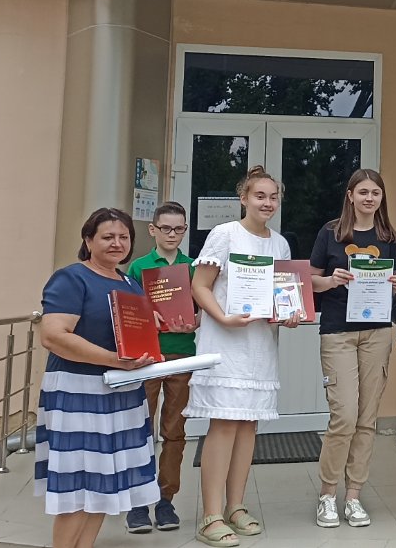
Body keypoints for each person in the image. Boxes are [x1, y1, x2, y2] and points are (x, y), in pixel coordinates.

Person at [184, 167, 299, 547]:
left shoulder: (280, 245)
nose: (267, 203)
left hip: (259, 348)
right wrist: (223, 318)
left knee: (248, 426)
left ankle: (235, 506)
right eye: (259, 196)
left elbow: (283, 298)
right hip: (225, 344)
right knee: (224, 425)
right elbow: (199, 286)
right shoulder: (225, 234)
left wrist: (290, 315)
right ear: (244, 198)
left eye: (273, 197)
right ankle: (211, 515)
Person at [35, 208, 159, 548]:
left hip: (122, 394)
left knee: (104, 486)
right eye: (107, 237)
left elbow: (130, 337)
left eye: (124, 237)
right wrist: (114, 361)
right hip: (79, 392)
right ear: (88, 241)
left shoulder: (130, 283)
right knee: (78, 490)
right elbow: (53, 336)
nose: (117, 243)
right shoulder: (71, 278)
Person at [307, 169, 396, 528]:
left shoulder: (387, 236)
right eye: (363, 192)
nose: (369, 198)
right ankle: (327, 495)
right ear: (350, 195)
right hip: (338, 334)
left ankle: (353, 496)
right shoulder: (330, 232)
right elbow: (310, 281)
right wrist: (330, 280)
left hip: (377, 333)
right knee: (344, 417)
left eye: (375, 193)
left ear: (381, 198)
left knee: (366, 420)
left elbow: (392, 280)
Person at [124, 202, 197, 535]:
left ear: (185, 230)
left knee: (175, 431)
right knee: (141, 429)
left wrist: (194, 321)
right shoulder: (138, 267)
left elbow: (204, 311)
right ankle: (138, 502)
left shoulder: (192, 267)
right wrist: (145, 316)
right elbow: (126, 313)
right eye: (165, 228)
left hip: (182, 355)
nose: (172, 234)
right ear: (152, 229)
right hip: (147, 356)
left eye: (179, 229)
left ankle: (166, 499)